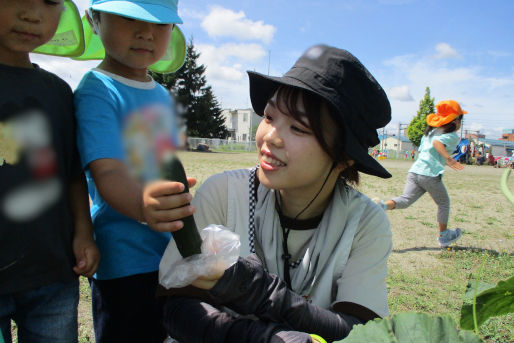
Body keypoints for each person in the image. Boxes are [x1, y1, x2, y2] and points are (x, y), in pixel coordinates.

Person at [159, 44, 394, 343]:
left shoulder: (363, 224)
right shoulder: (223, 193)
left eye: (298, 127)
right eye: (270, 117)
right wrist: (260, 337)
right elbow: (176, 308)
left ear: (344, 158)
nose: (270, 136)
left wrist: (263, 293)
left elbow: (362, 334)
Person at [73, 0, 187, 341]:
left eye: (160, 24)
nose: (145, 33)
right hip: (123, 258)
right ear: (95, 20)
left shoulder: (161, 94)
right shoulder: (97, 90)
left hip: (166, 254)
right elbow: (107, 172)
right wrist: (145, 206)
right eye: (128, 18)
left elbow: (164, 161)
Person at [0, 1, 100, 342]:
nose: (32, 13)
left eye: (49, 2)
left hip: (53, 274)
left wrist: (84, 233)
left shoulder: (58, 92)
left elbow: (72, 174)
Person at [373, 100, 467, 247]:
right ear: (455, 121)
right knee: (444, 203)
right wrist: (449, 159)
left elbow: (428, 146)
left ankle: (381, 207)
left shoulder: (431, 132)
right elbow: (437, 144)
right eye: (461, 120)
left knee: (405, 200)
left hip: (415, 171)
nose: (461, 123)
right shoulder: (452, 135)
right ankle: (444, 236)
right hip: (429, 174)